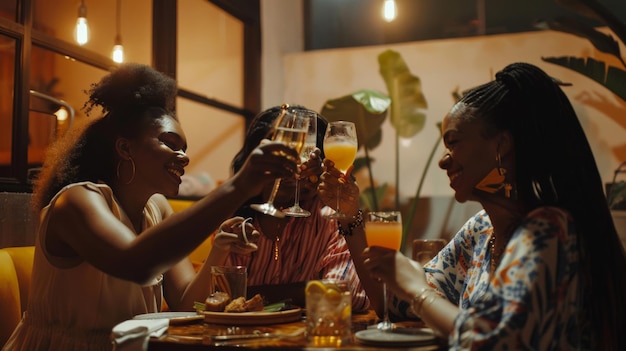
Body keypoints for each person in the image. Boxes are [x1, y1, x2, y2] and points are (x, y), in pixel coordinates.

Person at [318, 62, 626, 350]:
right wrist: (349, 217)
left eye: (454, 142)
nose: (443, 160)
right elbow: (392, 305)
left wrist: (416, 289)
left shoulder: (550, 230)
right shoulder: (481, 230)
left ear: (501, 146)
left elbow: (492, 341)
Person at [2, 63, 300, 351]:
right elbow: (136, 263)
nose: (183, 157)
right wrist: (239, 185)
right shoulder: (77, 200)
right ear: (125, 148)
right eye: (170, 142)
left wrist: (219, 249)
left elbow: (184, 301)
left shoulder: (156, 208)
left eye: (184, 149)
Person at [203, 104, 370, 310]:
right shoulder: (233, 221)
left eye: (303, 152)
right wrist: (306, 290)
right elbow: (214, 297)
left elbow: (347, 294)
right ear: (253, 155)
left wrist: (248, 293)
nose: (292, 161)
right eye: (281, 147)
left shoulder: (331, 220)